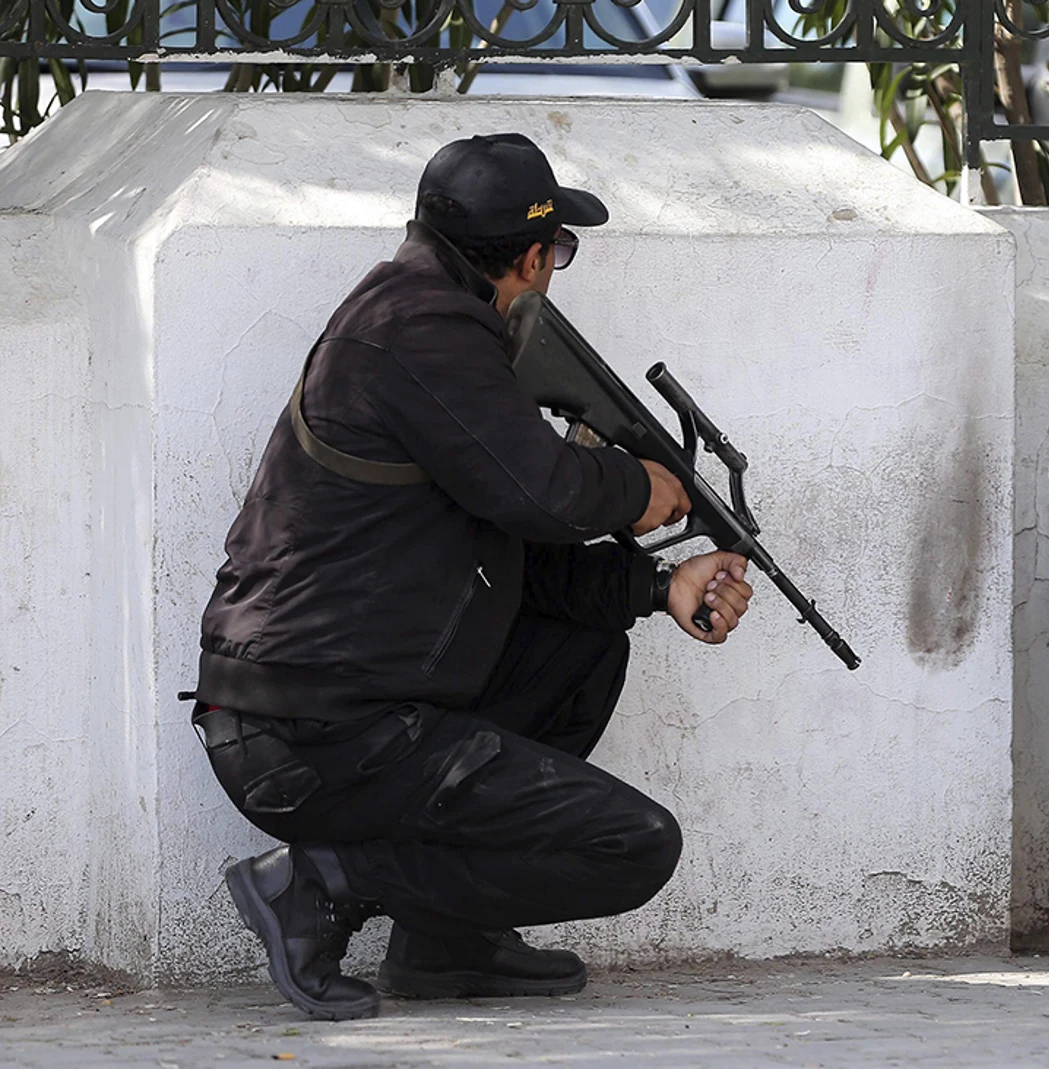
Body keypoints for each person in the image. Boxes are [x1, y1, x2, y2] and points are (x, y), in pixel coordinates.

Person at [189, 133, 755, 1019]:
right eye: (557, 250)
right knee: (636, 846)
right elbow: (546, 491)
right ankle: (318, 883)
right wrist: (638, 486)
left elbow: (509, 560)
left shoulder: (414, 316)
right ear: (531, 257)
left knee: (584, 648)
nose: (555, 266)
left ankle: (444, 942)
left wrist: (658, 586)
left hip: (322, 705)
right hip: (315, 730)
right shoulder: (428, 331)